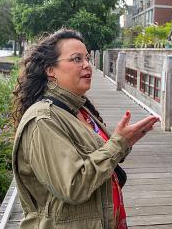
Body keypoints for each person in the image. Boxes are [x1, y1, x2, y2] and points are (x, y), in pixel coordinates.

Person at [12, 28, 159, 229]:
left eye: (87, 58)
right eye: (76, 59)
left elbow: (101, 155)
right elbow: (73, 185)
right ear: (50, 70)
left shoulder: (79, 108)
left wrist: (125, 141)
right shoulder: (43, 120)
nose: (87, 65)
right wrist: (118, 144)